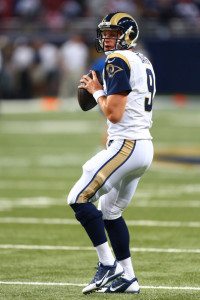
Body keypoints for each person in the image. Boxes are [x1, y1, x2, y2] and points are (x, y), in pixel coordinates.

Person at [67, 12, 156, 294]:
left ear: (128, 34)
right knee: (110, 211)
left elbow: (114, 114)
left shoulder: (118, 60)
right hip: (142, 146)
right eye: (104, 33)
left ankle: (109, 264)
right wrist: (101, 89)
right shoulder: (141, 59)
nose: (106, 38)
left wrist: (95, 91)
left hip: (127, 144)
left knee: (78, 198)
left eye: (113, 33)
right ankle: (128, 277)